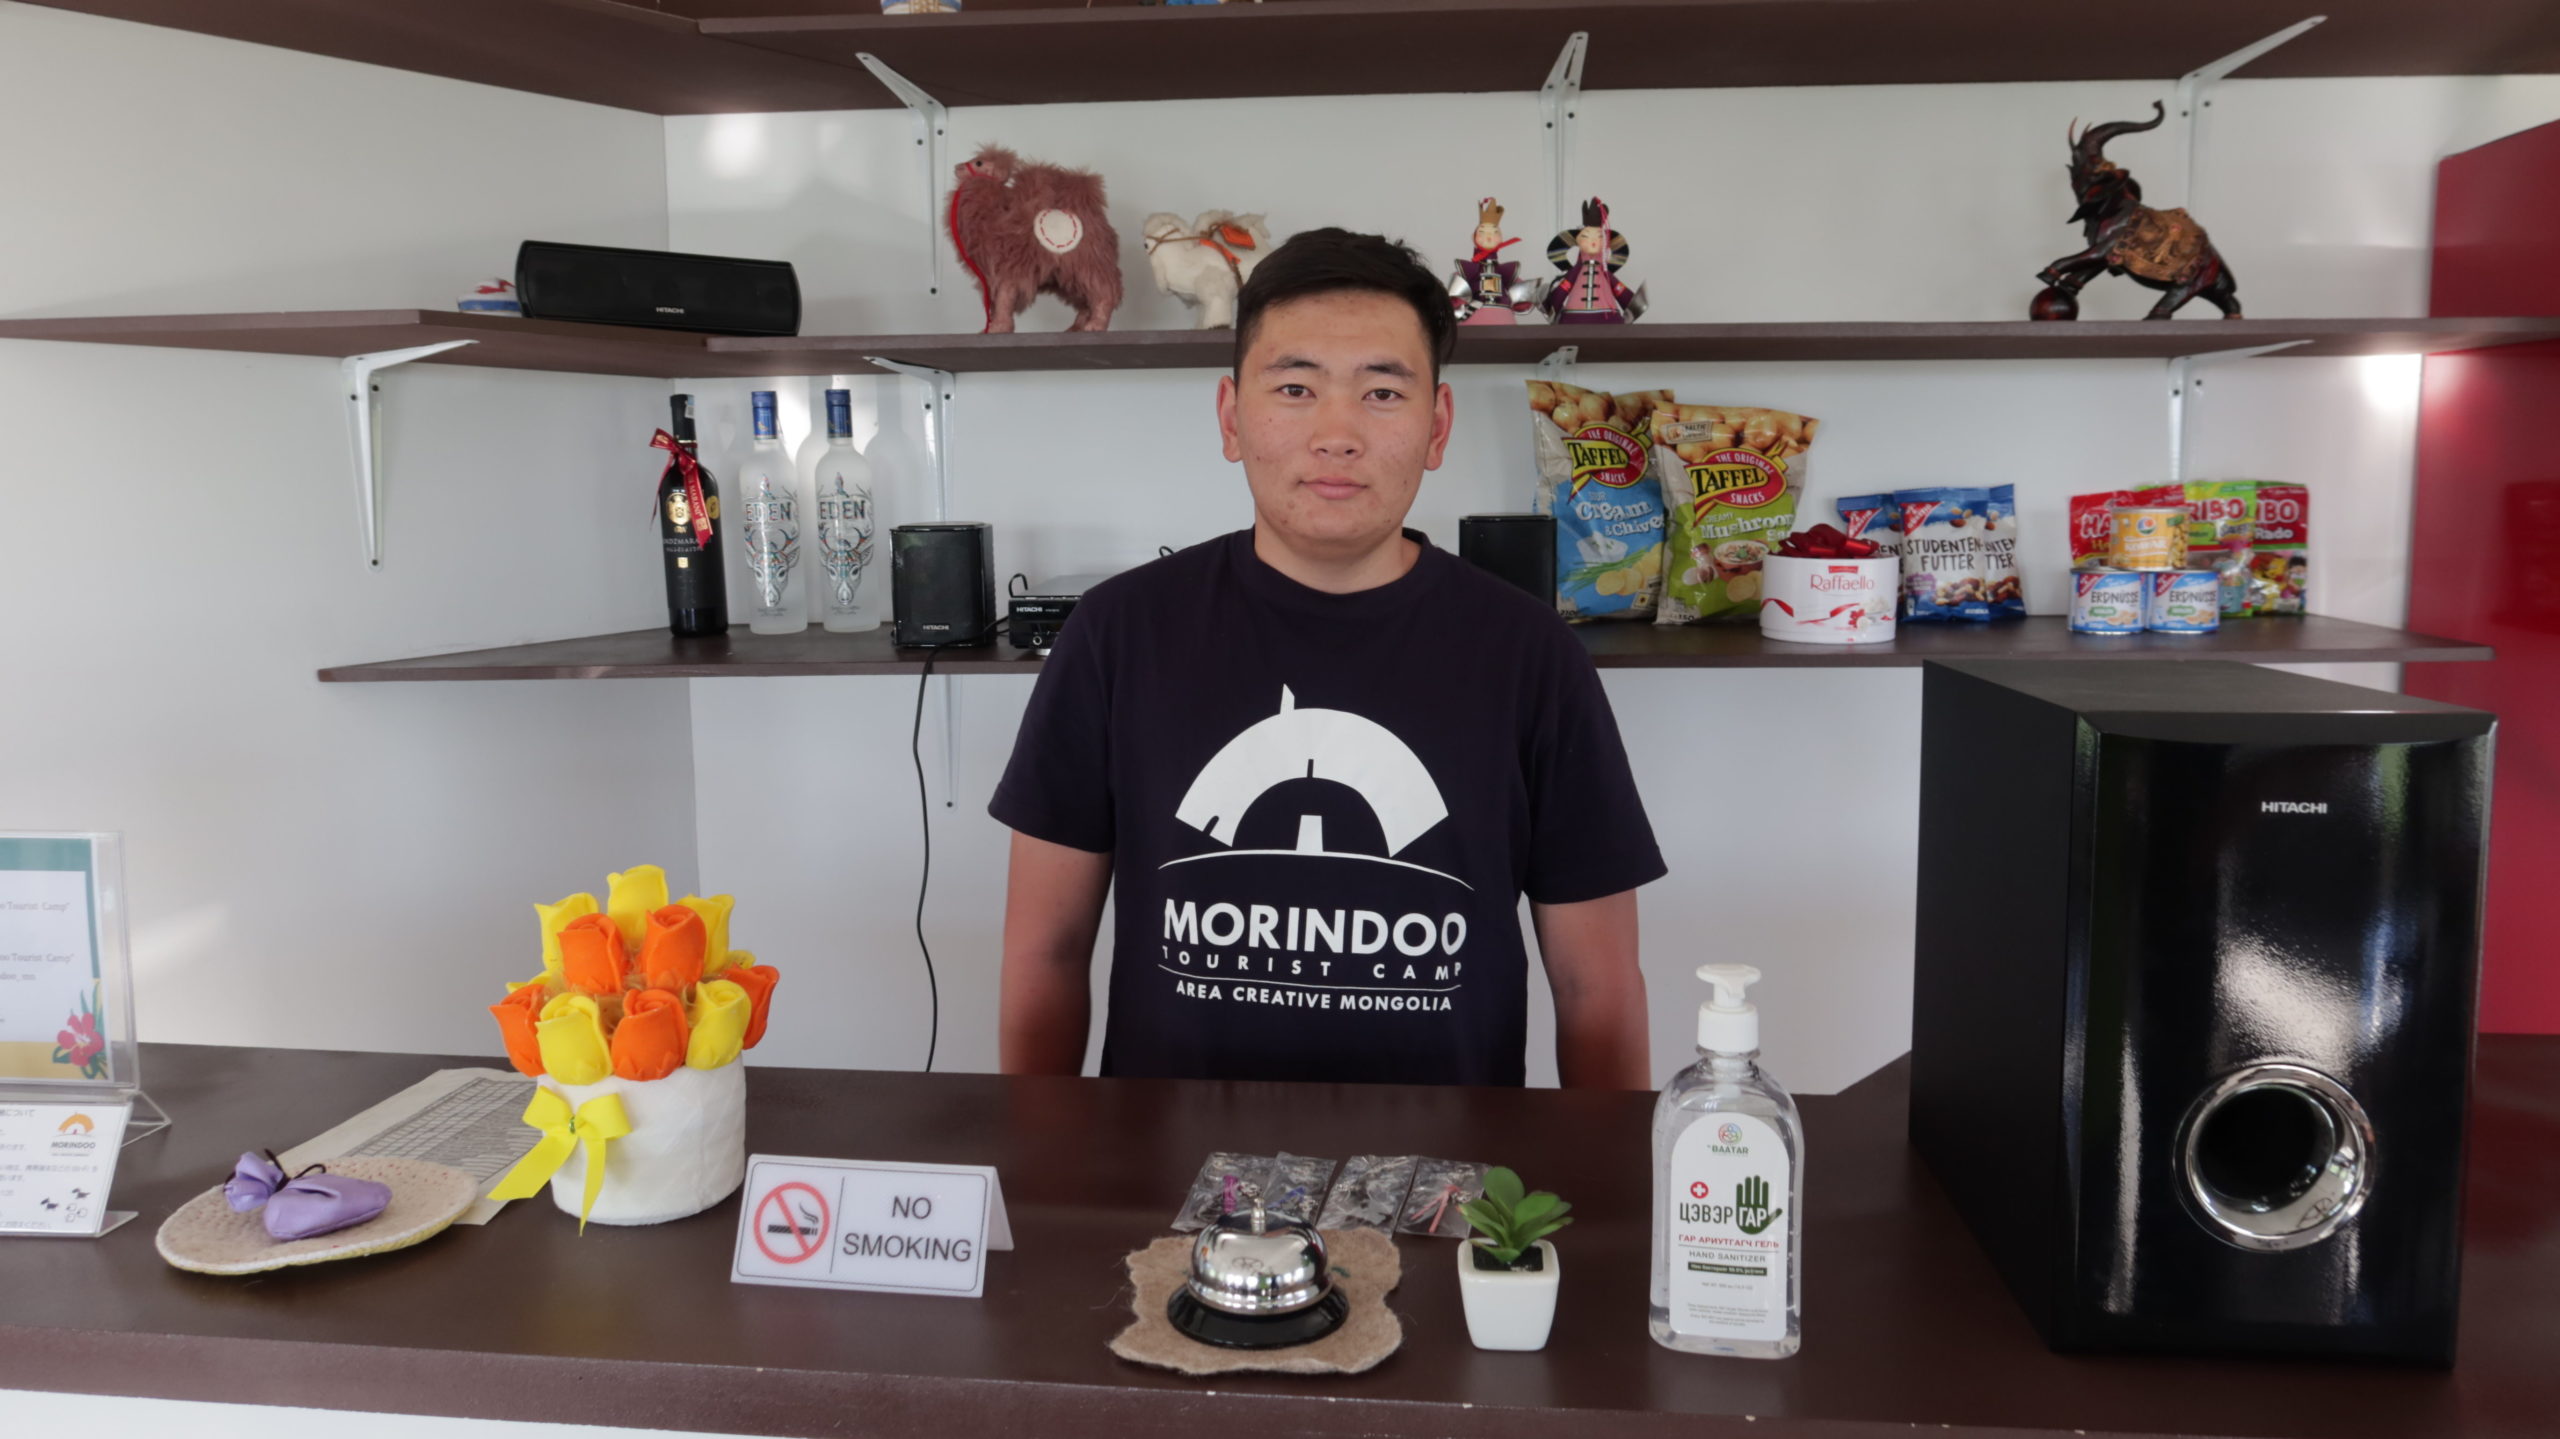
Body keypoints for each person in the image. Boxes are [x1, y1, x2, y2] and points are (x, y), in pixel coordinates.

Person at [990, 227, 1665, 1088]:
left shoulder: (1534, 655)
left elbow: (1596, 985)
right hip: (1163, 1166)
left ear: (1437, 426)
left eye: (1382, 392)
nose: (1337, 433)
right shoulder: (1115, 633)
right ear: (1232, 417)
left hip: (1452, 1168)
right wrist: (1042, 1155)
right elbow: (1045, 953)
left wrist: (1611, 1170)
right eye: (1296, 387)